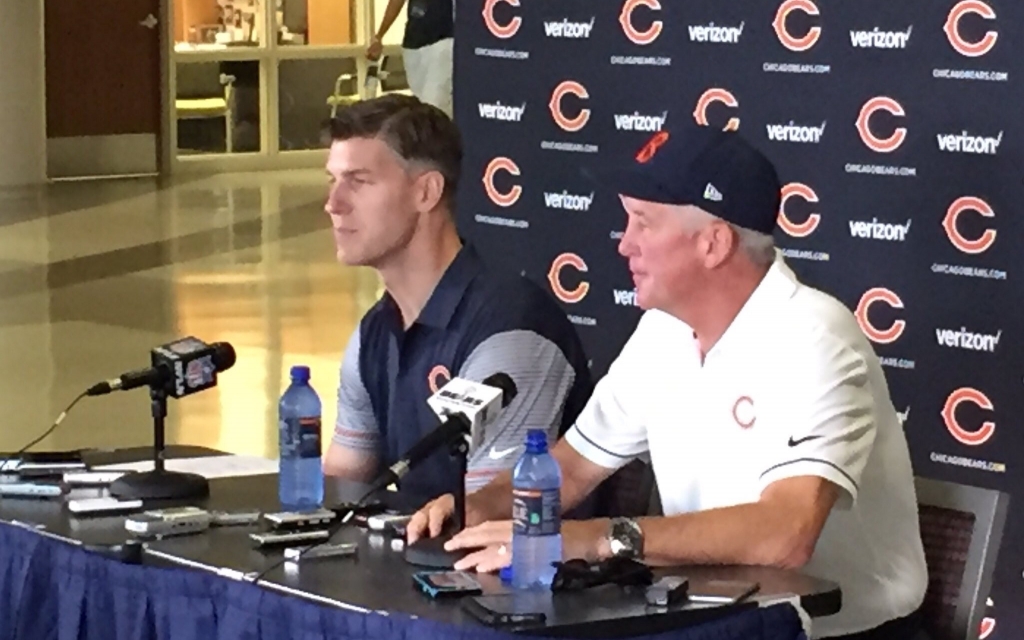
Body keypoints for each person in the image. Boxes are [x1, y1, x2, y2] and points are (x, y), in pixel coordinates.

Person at [407, 124, 928, 639]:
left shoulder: (815, 338)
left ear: (713, 243)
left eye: (643, 223)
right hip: (714, 618)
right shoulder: (664, 331)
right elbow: (569, 468)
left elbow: (785, 533)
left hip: (839, 630)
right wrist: (471, 510)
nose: (624, 245)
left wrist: (593, 540)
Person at [321, 94, 593, 505]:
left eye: (358, 182)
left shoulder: (509, 330)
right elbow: (340, 489)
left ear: (427, 192)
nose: (333, 205)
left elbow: (489, 514)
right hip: (419, 559)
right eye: (332, 181)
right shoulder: (374, 334)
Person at [367, 0, 453, 117]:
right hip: (413, 44)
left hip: (444, 40)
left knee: (433, 105)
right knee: (421, 105)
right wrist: (379, 36)